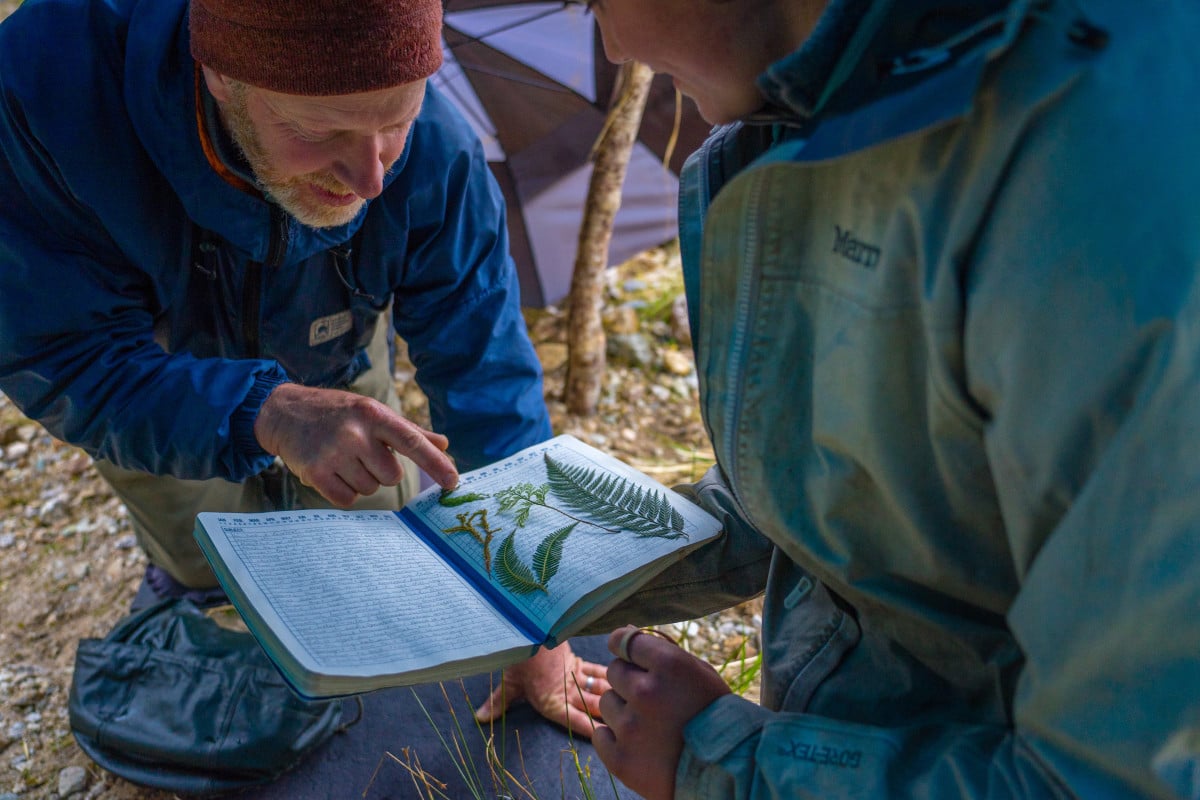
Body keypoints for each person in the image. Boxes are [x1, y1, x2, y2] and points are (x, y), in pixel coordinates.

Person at [577, 0, 1200, 798]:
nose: (612, 42)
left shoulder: (1098, 173)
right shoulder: (811, 119)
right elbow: (821, 499)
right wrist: (541, 571)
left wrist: (721, 760)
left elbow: (1111, 777)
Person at [0, 0, 606, 747]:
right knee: (201, 553)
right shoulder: (43, 94)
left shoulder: (435, 155)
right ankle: (187, 580)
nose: (372, 176)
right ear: (219, 73)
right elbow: (64, 357)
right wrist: (267, 412)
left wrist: (535, 620)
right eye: (321, 135)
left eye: (399, 122)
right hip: (155, 368)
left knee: (369, 564)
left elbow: (488, 376)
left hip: (335, 348)